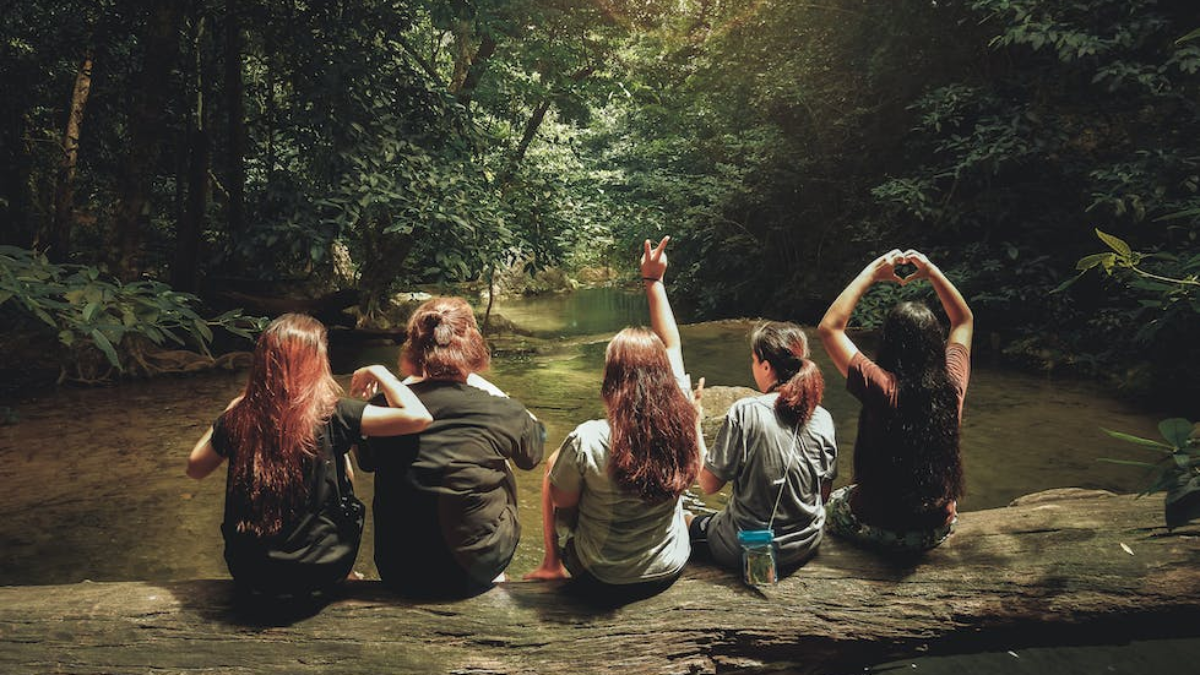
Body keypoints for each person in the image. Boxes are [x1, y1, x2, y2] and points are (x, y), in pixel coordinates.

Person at [186, 313, 432, 597]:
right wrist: (382, 373)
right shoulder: (334, 413)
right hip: (319, 572)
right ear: (317, 361)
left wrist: (232, 410)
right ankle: (345, 572)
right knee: (339, 457)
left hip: (250, 573)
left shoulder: (240, 417)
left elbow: (195, 468)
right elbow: (419, 417)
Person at [524, 236, 704, 602]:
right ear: (662, 377)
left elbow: (563, 502)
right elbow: (672, 345)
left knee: (557, 464)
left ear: (612, 380)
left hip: (600, 576)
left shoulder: (589, 438)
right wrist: (654, 281)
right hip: (668, 567)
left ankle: (551, 563)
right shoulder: (683, 415)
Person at [358, 296, 545, 598]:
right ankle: (491, 566)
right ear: (473, 346)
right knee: (500, 460)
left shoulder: (384, 406)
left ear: (413, 349)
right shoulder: (502, 409)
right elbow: (533, 455)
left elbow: (366, 462)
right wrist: (492, 390)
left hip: (399, 569)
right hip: (476, 570)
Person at [817, 249, 973, 552]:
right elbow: (963, 320)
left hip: (878, 525)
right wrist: (932, 272)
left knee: (834, 502)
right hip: (934, 529)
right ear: (935, 343)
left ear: (888, 342)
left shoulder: (882, 387)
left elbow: (829, 328)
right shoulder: (952, 386)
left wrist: (873, 273)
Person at [689, 322, 837, 574]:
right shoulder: (823, 418)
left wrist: (694, 423)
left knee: (685, 521)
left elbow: (708, 485)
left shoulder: (746, 411)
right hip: (806, 543)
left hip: (749, 549)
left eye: (753, 360)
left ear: (766, 366)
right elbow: (822, 495)